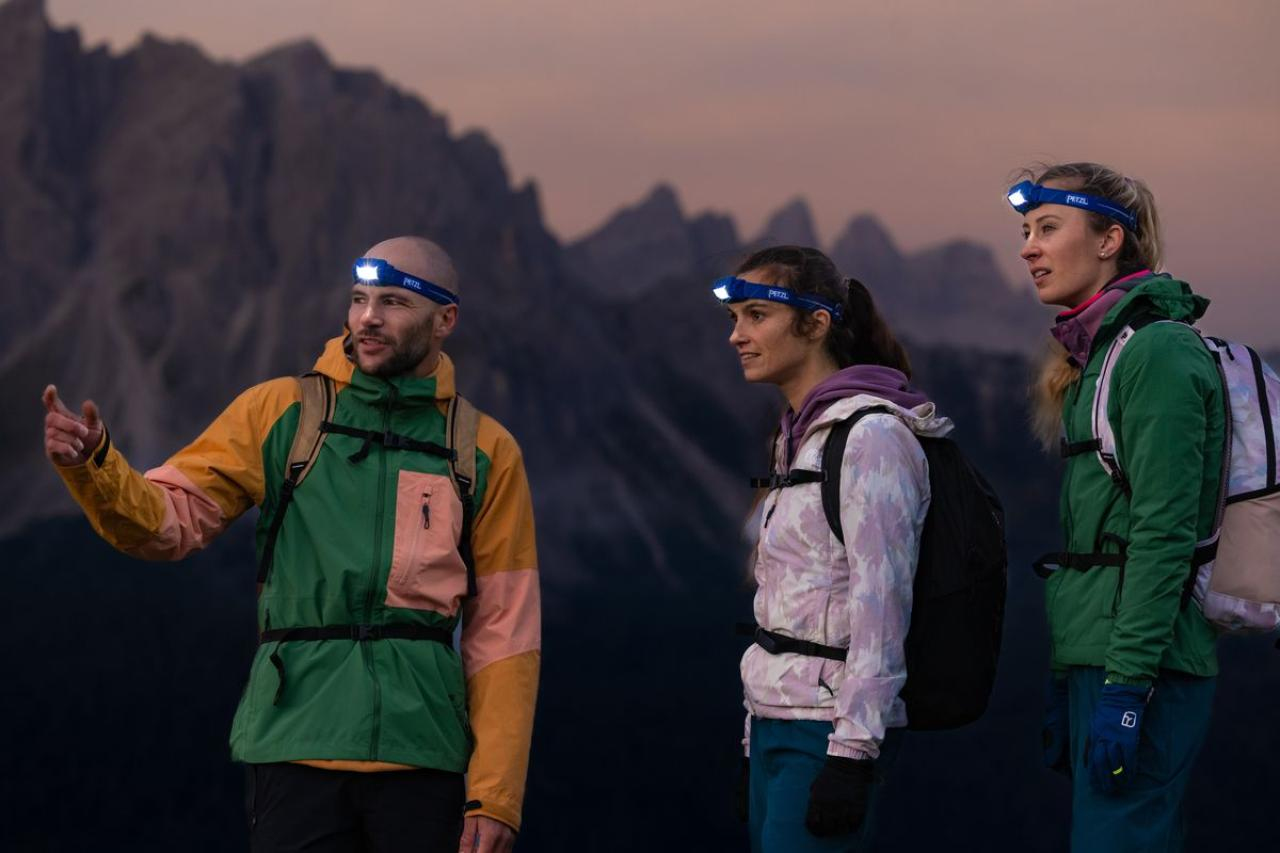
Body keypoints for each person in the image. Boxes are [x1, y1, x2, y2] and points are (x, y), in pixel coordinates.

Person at [42, 236, 540, 853]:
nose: (368, 318)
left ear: (446, 320)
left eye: (393, 302)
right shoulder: (281, 412)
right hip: (295, 744)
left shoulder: (486, 451)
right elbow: (169, 522)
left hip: (423, 755)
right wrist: (96, 466)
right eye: (359, 299)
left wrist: (494, 794)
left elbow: (506, 636)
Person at [1011, 162, 1223, 851]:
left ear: (1109, 241)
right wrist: (1064, 673)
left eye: (1047, 227)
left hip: (1145, 666)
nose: (1028, 248)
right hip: (1101, 658)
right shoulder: (1094, 359)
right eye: (1025, 232)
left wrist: (1128, 689)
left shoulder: (1157, 351)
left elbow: (1163, 534)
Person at [714, 245, 951, 852]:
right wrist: (752, 741)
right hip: (776, 722)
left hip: (828, 732)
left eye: (757, 315)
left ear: (816, 323)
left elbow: (882, 606)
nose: (737, 335)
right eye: (734, 317)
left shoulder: (872, 437)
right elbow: (785, 602)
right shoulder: (797, 436)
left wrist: (851, 756)